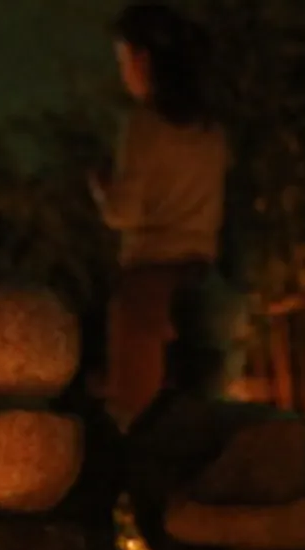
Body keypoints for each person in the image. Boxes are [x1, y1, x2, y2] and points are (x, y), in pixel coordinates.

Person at [90, 4, 228, 426]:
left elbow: (123, 214)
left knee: (137, 416)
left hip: (148, 287)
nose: (123, 73)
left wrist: (100, 189)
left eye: (122, 60)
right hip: (204, 288)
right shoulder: (211, 129)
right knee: (196, 421)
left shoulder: (143, 125)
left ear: (141, 59)